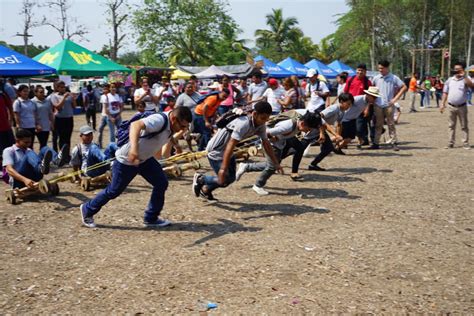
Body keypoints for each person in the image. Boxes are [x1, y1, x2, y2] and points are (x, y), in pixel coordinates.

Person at [79, 107, 193, 228]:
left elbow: (168, 136)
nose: (183, 130)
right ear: (174, 119)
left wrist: (177, 146)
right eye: (182, 126)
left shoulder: (172, 124)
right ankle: (87, 209)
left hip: (145, 159)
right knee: (114, 191)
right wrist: (134, 150)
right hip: (127, 160)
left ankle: (151, 218)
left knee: (161, 183)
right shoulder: (159, 120)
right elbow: (135, 125)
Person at [192, 101, 283, 200]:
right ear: (255, 114)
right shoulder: (243, 123)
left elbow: (266, 143)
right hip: (216, 151)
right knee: (223, 180)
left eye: (267, 118)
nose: (264, 121)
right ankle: (201, 179)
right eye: (263, 118)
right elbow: (231, 143)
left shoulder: (261, 125)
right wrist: (223, 169)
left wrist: (275, 163)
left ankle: (206, 190)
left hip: (229, 151)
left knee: (230, 179)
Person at [235, 111, 321, 194]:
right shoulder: (288, 126)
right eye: (308, 129)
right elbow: (265, 132)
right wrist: (272, 138)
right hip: (271, 144)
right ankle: (258, 185)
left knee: (273, 164)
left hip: (279, 144)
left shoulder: (298, 125)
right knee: (272, 166)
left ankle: (246, 167)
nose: (307, 131)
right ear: (302, 123)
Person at [303, 93, 354, 170]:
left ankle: (313, 165)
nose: (349, 106)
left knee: (328, 148)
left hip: (322, 129)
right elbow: (319, 117)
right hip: (315, 128)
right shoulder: (334, 108)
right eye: (348, 104)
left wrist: (337, 137)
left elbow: (339, 125)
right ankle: (279, 159)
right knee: (300, 146)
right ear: (341, 101)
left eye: (351, 104)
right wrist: (321, 133)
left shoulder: (342, 111)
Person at [2, 129, 67, 189]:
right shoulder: (9, 150)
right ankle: (40, 167)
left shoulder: (28, 150)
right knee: (29, 154)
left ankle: (57, 160)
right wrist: (25, 179)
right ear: (17, 141)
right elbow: (9, 170)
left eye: (30, 142)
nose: (29, 144)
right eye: (26, 142)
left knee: (44, 148)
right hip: (19, 181)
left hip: (34, 176)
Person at [370, 60, 407, 151]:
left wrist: (395, 99)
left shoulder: (393, 78)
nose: (380, 70)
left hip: (389, 105)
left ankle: (394, 142)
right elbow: (371, 89)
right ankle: (376, 143)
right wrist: (372, 101)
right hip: (378, 104)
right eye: (379, 68)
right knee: (378, 124)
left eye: (382, 68)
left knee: (391, 124)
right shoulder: (376, 78)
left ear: (387, 68)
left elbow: (404, 87)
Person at [440, 61, 474, 149]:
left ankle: (465, 143)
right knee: (451, 125)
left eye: (459, 69)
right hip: (451, 106)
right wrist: (442, 103)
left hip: (462, 106)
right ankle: (450, 143)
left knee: (464, 125)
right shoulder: (450, 80)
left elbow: (472, 87)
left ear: (463, 70)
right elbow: (445, 92)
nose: (456, 71)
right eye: (455, 69)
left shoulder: (465, 80)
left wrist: (465, 77)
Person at [344, 64, 373, 147]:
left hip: (361, 107)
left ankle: (363, 139)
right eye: (358, 70)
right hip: (349, 106)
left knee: (360, 126)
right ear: (356, 70)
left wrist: (367, 108)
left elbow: (370, 97)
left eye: (362, 70)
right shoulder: (350, 79)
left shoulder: (367, 82)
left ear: (365, 72)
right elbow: (345, 92)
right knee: (347, 124)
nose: (360, 72)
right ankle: (346, 141)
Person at [50, 81, 76, 158]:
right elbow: (58, 107)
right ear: (57, 88)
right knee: (61, 138)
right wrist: (64, 98)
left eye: (64, 87)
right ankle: (61, 155)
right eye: (61, 87)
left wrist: (73, 98)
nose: (63, 88)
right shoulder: (54, 96)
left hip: (69, 118)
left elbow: (74, 106)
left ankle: (67, 154)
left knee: (68, 137)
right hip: (60, 119)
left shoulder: (69, 96)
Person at [0, 79, 15, 164]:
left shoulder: (2, 94)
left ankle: (9, 168)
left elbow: (10, 107)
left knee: (9, 149)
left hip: (6, 127)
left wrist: (10, 119)